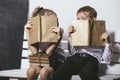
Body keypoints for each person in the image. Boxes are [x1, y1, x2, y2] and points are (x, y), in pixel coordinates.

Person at [52, 6, 112, 80]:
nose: (80, 21)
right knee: (59, 74)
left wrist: (108, 44)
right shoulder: (77, 31)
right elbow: (72, 52)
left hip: (91, 60)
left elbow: (107, 60)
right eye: (78, 19)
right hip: (75, 59)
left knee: (88, 75)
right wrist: (70, 35)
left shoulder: (100, 34)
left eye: (83, 19)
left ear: (93, 19)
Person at [24, 6, 66, 80]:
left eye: (56, 20)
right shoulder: (36, 32)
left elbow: (48, 52)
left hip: (56, 61)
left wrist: (58, 38)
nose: (56, 23)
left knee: (44, 71)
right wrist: (28, 33)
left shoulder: (58, 31)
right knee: (31, 70)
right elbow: (34, 52)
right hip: (41, 60)